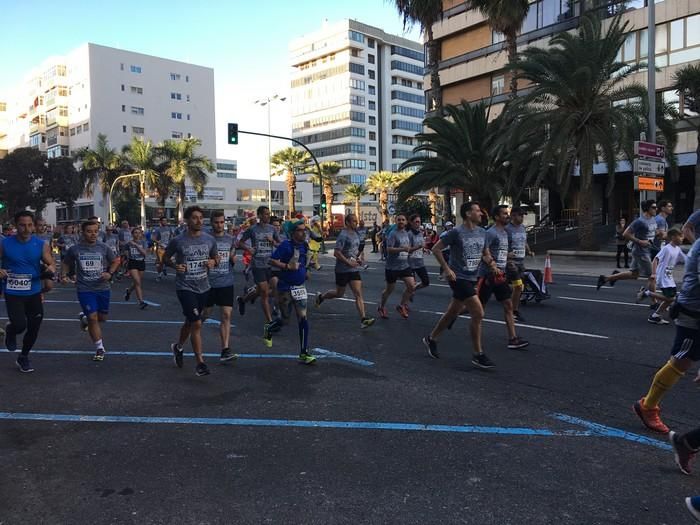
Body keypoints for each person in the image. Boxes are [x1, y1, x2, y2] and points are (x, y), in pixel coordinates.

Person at [632, 236, 700, 434]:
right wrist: (653, 274)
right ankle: (648, 406)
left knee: (682, 362)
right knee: (680, 362)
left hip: (692, 309)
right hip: (693, 314)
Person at [421, 201, 496, 370]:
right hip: (458, 277)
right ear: (468, 214)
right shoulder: (456, 232)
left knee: (452, 312)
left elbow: (485, 253)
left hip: (472, 277)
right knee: (478, 313)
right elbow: (436, 248)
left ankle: (431, 338)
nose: (481, 214)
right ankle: (478, 354)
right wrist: (447, 269)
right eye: (478, 211)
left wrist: (492, 264)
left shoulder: (482, 233)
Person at [164, 206, 219, 376]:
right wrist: (174, 265)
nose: (199, 221)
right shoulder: (178, 241)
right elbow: (165, 257)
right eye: (195, 218)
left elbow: (216, 257)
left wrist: (213, 262)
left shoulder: (210, 240)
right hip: (185, 286)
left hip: (204, 286)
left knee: (190, 321)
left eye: (201, 218)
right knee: (196, 323)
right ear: (187, 220)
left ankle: (178, 347)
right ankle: (200, 363)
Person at [0, 211, 56, 372]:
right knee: (19, 325)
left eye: (29, 225)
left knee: (34, 327)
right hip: (13, 291)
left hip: (33, 291)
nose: (26, 229)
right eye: (22, 225)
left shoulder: (40, 244)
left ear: (34, 226)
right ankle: (11, 330)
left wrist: (50, 269)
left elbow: (50, 262)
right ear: (16, 226)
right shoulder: (5, 244)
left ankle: (23, 357)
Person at [62, 220, 120, 362]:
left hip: (102, 288)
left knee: (102, 318)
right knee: (93, 318)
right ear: (82, 232)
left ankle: (84, 318)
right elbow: (65, 262)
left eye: (95, 231)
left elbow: (115, 261)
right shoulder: (75, 249)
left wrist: (110, 273)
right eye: (89, 231)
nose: (93, 234)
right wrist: (63, 275)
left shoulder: (104, 247)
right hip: (84, 288)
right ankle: (100, 348)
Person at [479, 205, 529, 350]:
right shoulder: (491, 233)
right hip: (487, 276)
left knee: (508, 305)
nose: (507, 216)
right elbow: (482, 252)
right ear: (496, 217)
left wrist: (508, 262)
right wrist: (492, 265)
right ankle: (453, 315)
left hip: (500, 276)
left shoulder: (504, 233)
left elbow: (502, 252)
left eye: (507, 213)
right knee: (477, 310)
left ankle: (513, 339)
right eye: (504, 214)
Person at [315, 214, 375, 328]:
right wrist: (348, 262)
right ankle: (321, 297)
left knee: (358, 293)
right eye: (353, 221)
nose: (356, 223)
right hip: (342, 269)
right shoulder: (343, 235)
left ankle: (363, 319)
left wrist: (357, 259)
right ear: (347, 222)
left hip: (353, 269)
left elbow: (353, 251)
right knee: (339, 293)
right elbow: (336, 253)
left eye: (356, 221)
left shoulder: (356, 234)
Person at [270, 220, 316, 364]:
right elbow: (272, 261)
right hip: (285, 287)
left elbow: (304, 261)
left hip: (299, 287)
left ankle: (304, 352)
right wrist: (287, 266)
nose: (304, 232)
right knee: (285, 320)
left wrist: (307, 270)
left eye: (304, 230)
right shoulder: (285, 245)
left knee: (303, 318)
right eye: (300, 230)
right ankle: (270, 328)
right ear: (293, 233)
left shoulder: (304, 245)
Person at [237, 206, 281, 347]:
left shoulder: (272, 229)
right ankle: (269, 324)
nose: (268, 216)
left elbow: (280, 244)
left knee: (274, 287)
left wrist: (272, 241)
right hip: (258, 265)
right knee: (263, 292)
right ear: (260, 215)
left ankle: (243, 300)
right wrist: (248, 248)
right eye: (265, 214)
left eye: (269, 214)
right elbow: (240, 242)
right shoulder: (253, 229)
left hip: (271, 264)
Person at [597, 200, 657, 297]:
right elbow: (626, 234)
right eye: (653, 207)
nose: (656, 209)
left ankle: (606, 278)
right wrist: (640, 241)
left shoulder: (653, 219)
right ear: (647, 209)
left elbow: (652, 233)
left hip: (646, 251)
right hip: (641, 252)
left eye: (656, 207)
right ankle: (653, 301)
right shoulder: (639, 221)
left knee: (634, 275)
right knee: (653, 277)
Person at [203, 210, 237, 363]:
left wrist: (232, 257)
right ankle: (185, 337)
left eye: (222, 222)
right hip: (208, 283)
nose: (219, 225)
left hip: (226, 281)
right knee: (204, 316)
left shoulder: (230, 239)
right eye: (216, 222)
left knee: (226, 315)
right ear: (211, 223)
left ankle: (225, 349)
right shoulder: (205, 238)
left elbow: (232, 253)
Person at [637, 228, 686, 324]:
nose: (682, 239)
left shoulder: (677, 249)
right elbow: (656, 259)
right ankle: (647, 293)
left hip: (669, 277)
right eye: (680, 237)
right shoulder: (667, 248)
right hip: (662, 276)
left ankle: (655, 316)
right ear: (673, 237)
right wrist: (654, 273)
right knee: (671, 298)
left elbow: (686, 259)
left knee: (669, 299)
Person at [377, 213, 418, 320]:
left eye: (403, 220)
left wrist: (414, 250)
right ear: (396, 221)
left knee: (411, 286)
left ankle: (401, 305)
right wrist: (402, 249)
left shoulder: (406, 233)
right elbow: (389, 249)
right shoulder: (393, 234)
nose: (401, 221)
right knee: (389, 290)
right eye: (398, 220)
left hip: (404, 265)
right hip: (392, 267)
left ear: (406, 222)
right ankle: (381, 307)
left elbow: (407, 248)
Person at [505, 207, 533, 322]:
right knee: (518, 286)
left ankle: (513, 309)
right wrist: (507, 254)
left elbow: (524, 241)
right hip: (511, 263)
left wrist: (529, 251)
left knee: (518, 287)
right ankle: (513, 312)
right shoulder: (507, 229)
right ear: (513, 216)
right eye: (519, 215)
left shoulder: (522, 228)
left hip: (521, 261)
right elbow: (500, 244)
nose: (522, 218)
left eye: (523, 216)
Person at [124, 226, 149, 309]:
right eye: (135, 233)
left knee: (136, 282)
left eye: (139, 233)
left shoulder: (144, 242)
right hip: (132, 263)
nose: (137, 234)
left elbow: (145, 253)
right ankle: (141, 302)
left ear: (141, 234)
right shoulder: (128, 244)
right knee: (137, 282)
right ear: (132, 234)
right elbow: (127, 255)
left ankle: (129, 291)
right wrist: (126, 264)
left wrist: (136, 245)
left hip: (141, 262)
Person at [407, 214, 430, 299]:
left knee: (426, 282)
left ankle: (412, 290)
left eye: (419, 222)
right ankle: (404, 305)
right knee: (410, 285)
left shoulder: (420, 233)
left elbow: (421, 245)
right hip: (410, 262)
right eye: (416, 222)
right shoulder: (409, 234)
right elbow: (408, 250)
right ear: (411, 223)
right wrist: (419, 246)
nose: (418, 223)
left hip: (420, 261)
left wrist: (424, 249)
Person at [153, 217, 174, 281]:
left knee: (169, 261)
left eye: (165, 221)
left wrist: (171, 242)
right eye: (163, 221)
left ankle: (164, 267)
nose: (165, 222)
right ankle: (159, 275)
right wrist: (158, 242)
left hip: (168, 247)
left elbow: (172, 236)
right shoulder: (158, 229)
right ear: (161, 222)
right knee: (161, 262)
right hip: (160, 248)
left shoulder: (169, 229)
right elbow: (153, 238)